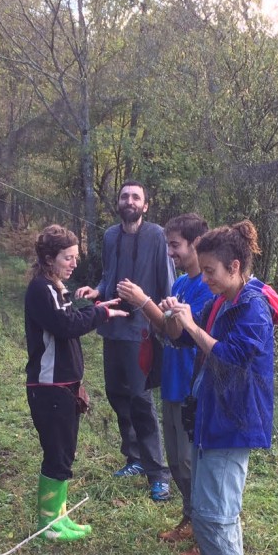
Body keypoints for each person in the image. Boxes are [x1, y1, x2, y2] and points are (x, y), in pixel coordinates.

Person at [160, 220, 278, 555]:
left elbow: (231, 357)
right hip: (209, 417)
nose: (207, 277)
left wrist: (193, 328)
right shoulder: (221, 300)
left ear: (234, 266)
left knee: (219, 520)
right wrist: (177, 319)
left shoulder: (252, 307)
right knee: (205, 515)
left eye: (211, 270)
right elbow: (188, 340)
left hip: (233, 423)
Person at [116, 213, 214, 555]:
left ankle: (205, 538)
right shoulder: (179, 285)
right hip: (171, 382)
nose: (170, 252)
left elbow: (187, 334)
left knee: (190, 462)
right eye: (168, 245)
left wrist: (144, 302)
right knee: (175, 461)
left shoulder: (207, 286)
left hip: (191, 385)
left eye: (175, 245)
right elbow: (168, 331)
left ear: (195, 245)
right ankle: (189, 519)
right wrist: (155, 311)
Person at [25, 224, 128, 542]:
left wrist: (96, 309)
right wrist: (101, 315)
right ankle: (48, 526)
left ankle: (60, 517)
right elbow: (65, 325)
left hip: (63, 386)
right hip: (49, 387)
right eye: (68, 258)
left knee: (65, 454)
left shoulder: (56, 288)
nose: (73, 263)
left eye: (75, 257)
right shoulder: (42, 288)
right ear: (49, 258)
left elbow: (70, 318)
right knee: (56, 454)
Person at [75, 181, 176, 501]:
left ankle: (158, 472)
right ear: (118, 203)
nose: (129, 201)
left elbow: (167, 281)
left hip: (142, 332)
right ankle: (134, 458)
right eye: (124, 196)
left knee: (141, 399)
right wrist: (97, 291)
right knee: (118, 394)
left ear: (146, 205)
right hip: (112, 328)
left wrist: (165, 321)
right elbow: (109, 275)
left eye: (136, 197)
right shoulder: (108, 236)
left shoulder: (157, 236)